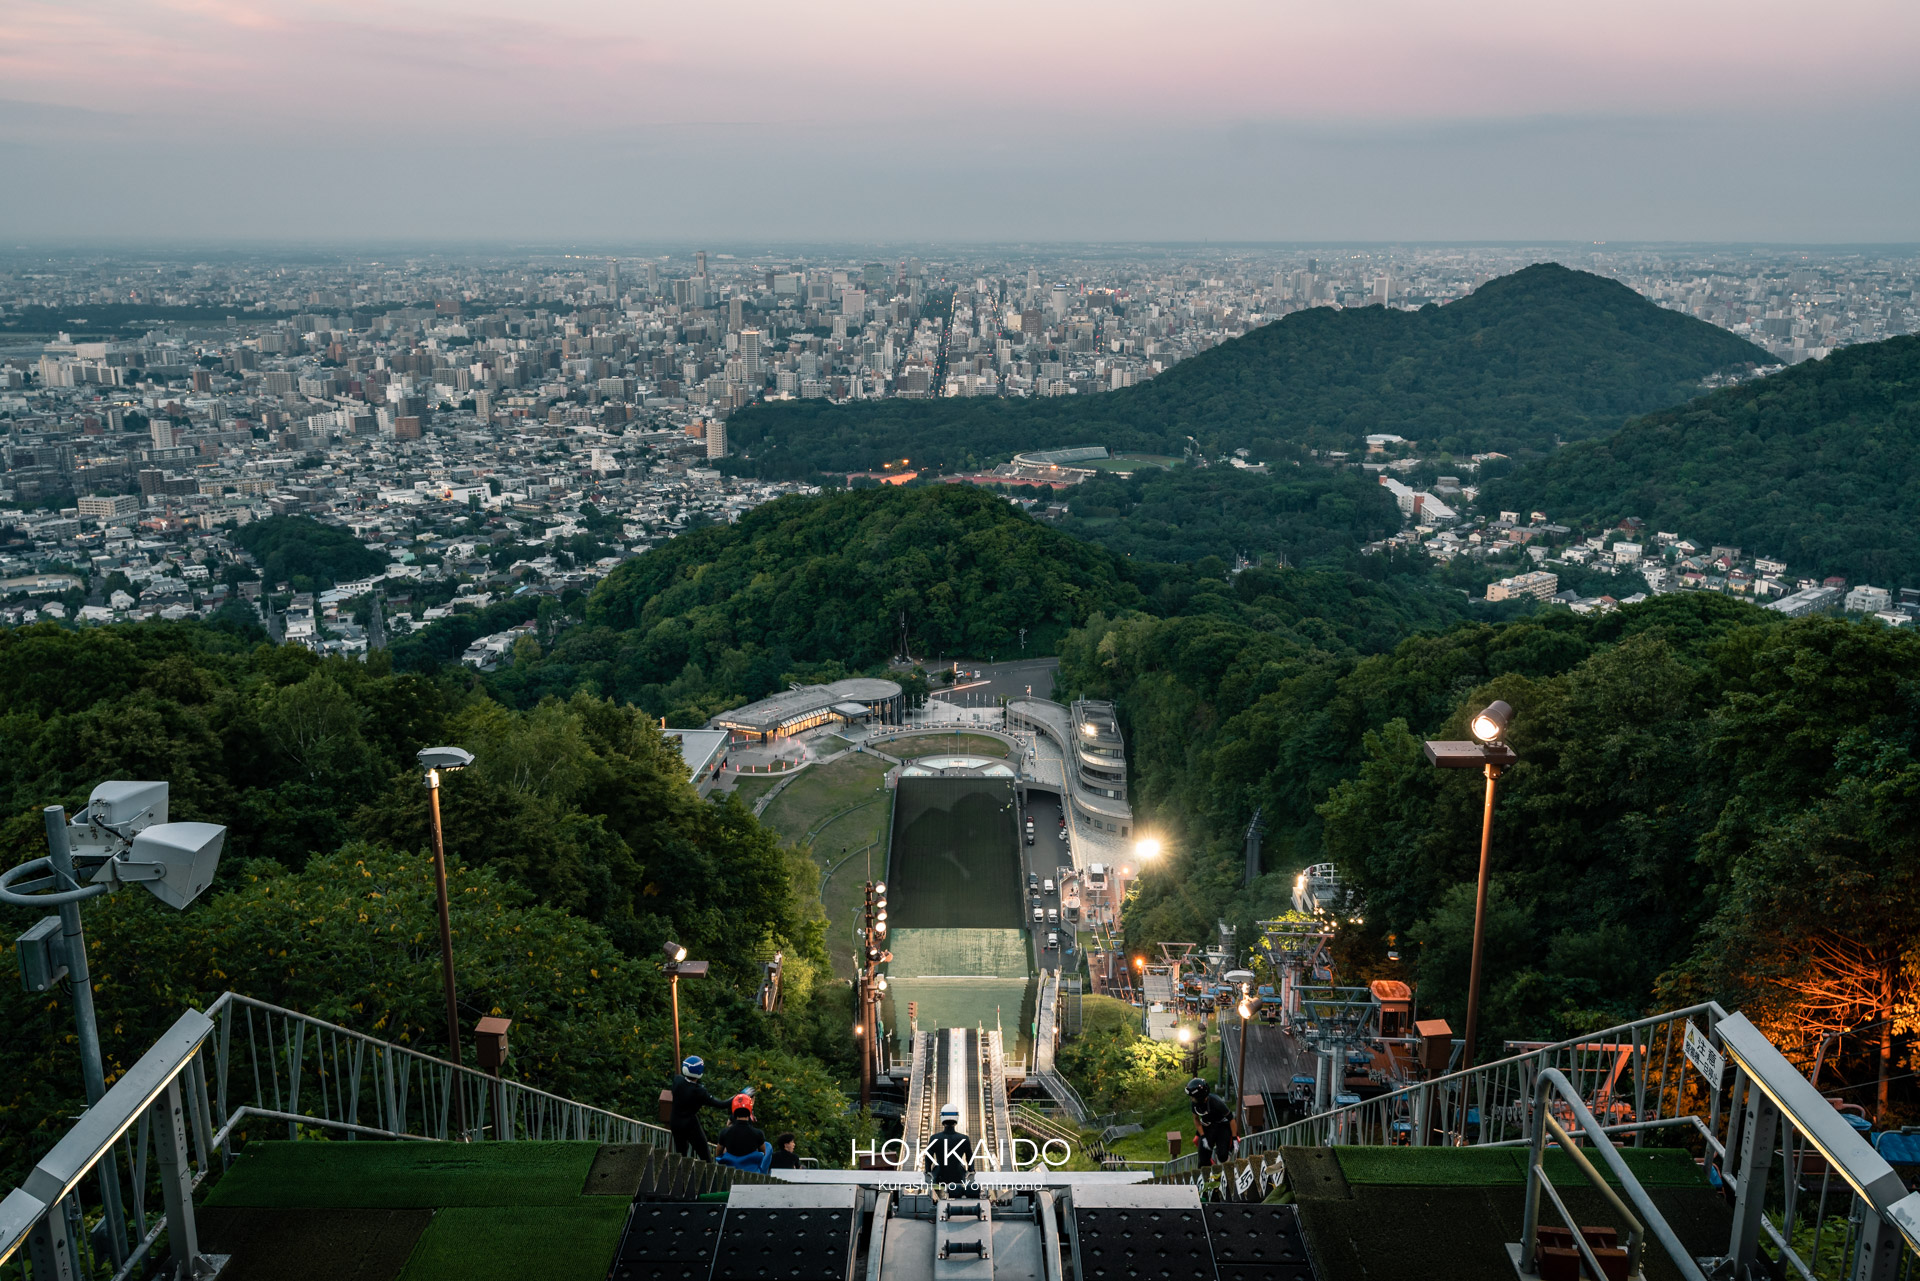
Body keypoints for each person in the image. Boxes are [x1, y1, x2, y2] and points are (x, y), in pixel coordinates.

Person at [667, 1056, 731, 1160]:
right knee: (703, 1151)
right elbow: (720, 1104)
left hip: (675, 1121)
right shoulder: (699, 1092)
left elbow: (683, 1081)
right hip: (690, 1123)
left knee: (680, 1152)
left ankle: (679, 1173)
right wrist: (737, 1097)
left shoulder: (677, 1081)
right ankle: (707, 1173)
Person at [924, 1103, 976, 1197]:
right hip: (958, 1177)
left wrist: (928, 1172)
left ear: (942, 1117)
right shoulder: (964, 1138)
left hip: (939, 1177)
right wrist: (971, 1171)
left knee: (939, 1198)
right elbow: (970, 1158)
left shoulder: (934, 1138)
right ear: (956, 1118)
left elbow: (928, 1158)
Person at [715, 1093, 772, 1173]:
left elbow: (718, 1153)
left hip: (730, 1168)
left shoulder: (725, 1132)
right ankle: (763, 1175)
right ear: (750, 1111)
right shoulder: (758, 1133)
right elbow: (763, 1152)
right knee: (768, 1146)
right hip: (751, 1170)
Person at [1187, 1077, 1236, 1167]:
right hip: (1207, 1126)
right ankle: (1207, 1176)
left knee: (1222, 1155)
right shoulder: (1194, 1104)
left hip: (1222, 1126)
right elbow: (1196, 1119)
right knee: (1203, 1160)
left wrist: (1234, 1138)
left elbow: (1231, 1119)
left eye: (1193, 1097)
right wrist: (1202, 1136)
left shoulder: (1216, 1102)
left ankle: (1224, 1168)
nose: (1191, 1099)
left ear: (1200, 1096)